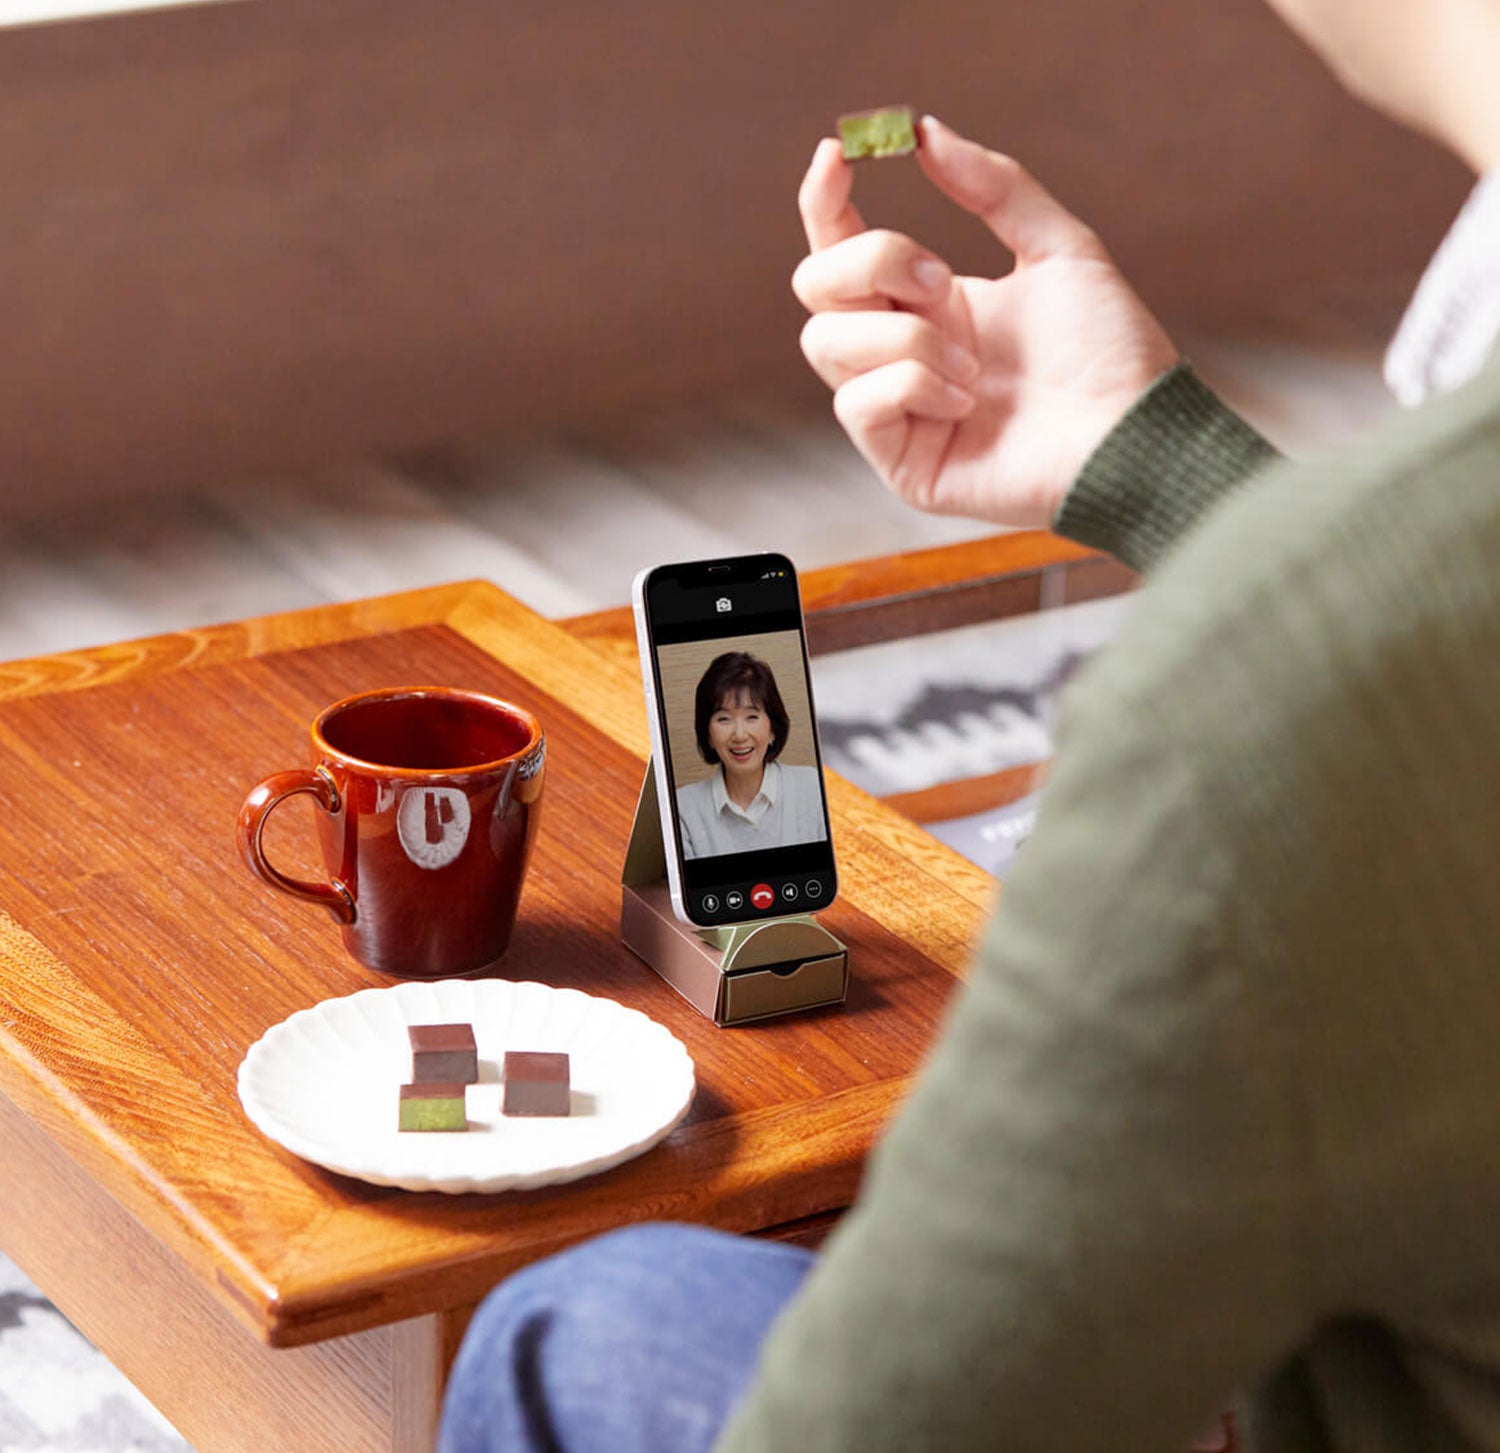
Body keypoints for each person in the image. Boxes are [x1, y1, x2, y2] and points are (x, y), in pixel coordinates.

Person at [439, 1, 1500, 1448]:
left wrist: (1274, 635)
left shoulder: (1244, 731)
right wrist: (1155, 459)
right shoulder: (1372, 643)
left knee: (577, 1326)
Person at [674, 651, 827, 859]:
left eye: (751, 717)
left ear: (773, 728)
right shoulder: (683, 808)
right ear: (707, 734)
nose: (739, 735)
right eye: (724, 719)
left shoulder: (813, 788)